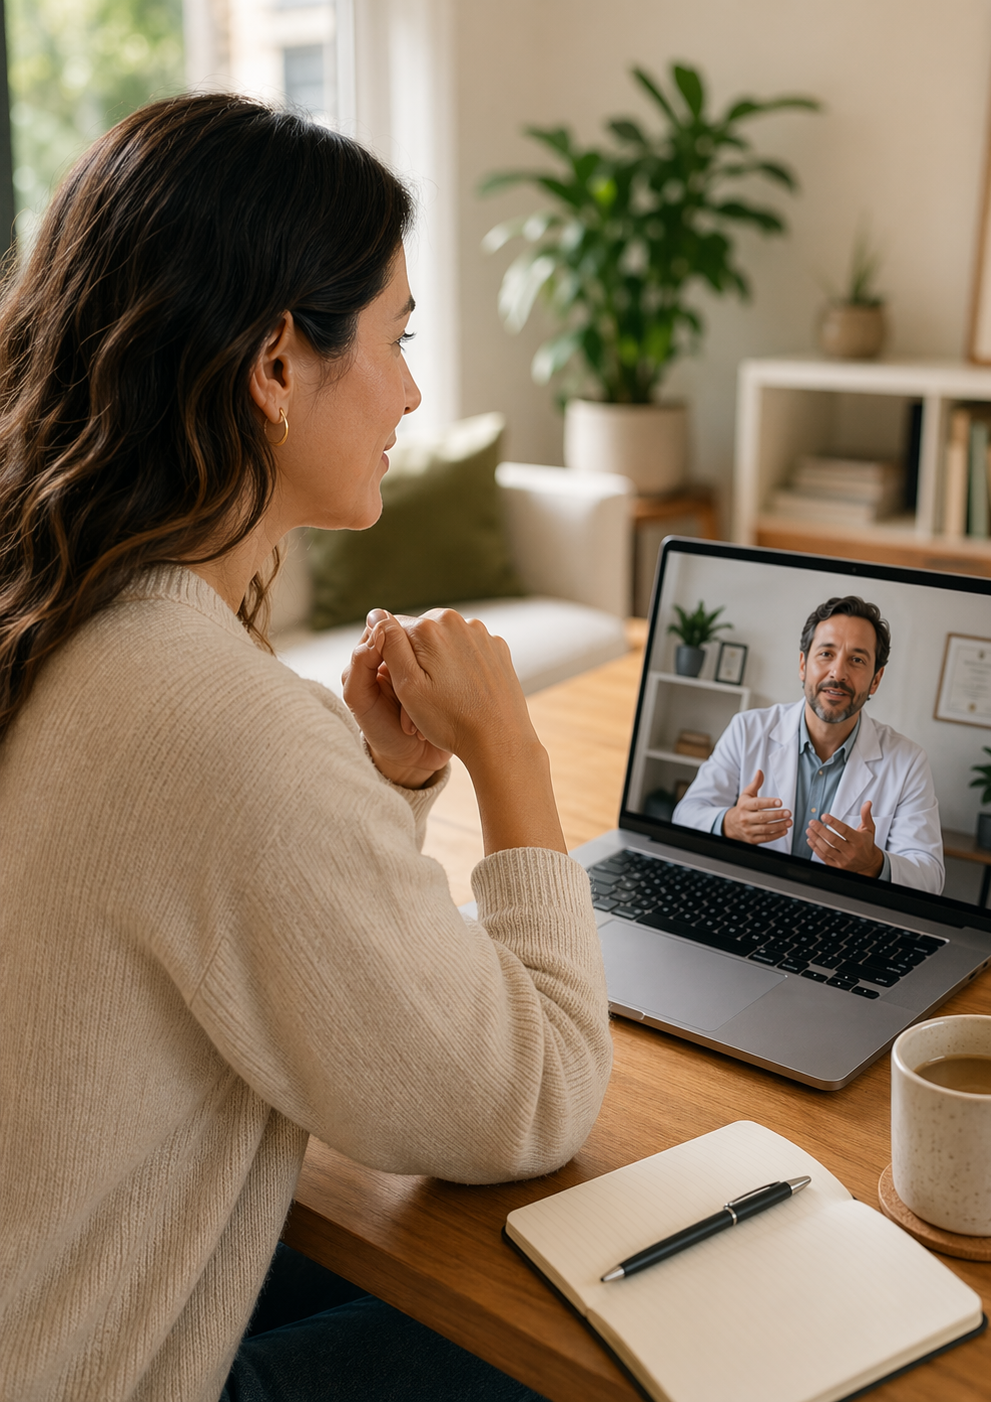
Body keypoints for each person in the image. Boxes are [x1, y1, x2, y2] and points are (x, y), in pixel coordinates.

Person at [0, 95, 612, 1402]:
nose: (412, 389)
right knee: (602, 1338)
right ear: (276, 365)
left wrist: (387, 777)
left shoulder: (61, 608)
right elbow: (534, 1094)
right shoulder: (218, 724)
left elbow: (265, 933)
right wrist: (511, 759)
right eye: (396, 337)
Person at [673, 596, 943, 893]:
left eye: (857, 660)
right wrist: (729, 824)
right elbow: (685, 815)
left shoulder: (908, 762)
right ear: (803, 665)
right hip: (746, 897)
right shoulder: (747, 729)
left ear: (876, 680)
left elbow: (930, 877)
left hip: (841, 910)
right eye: (826, 653)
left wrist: (875, 864)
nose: (838, 673)